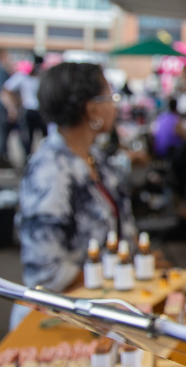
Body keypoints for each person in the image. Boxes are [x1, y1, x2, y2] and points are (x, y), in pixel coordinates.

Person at [16, 63, 135, 302]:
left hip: (109, 301)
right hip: (70, 312)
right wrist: (115, 277)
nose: (115, 106)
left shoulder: (93, 158)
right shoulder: (51, 170)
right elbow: (44, 272)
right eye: (111, 97)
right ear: (92, 109)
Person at [2, 55, 47, 158]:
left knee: (45, 138)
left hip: (41, 111)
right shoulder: (22, 76)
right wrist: (15, 104)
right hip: (29, 110)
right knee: (27, 139)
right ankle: (27, 159)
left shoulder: (43, 77)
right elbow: (6, 90)